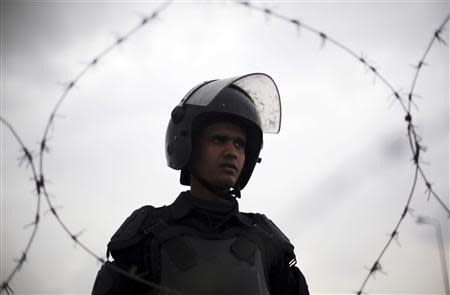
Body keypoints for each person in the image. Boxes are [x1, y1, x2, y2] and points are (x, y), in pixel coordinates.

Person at [92, 73, 310, 295]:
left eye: (239, 144)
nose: (232, 152)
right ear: (187, 145)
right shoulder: (145, 237)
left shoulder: (268, 242)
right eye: (219, 140)